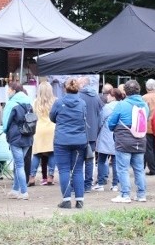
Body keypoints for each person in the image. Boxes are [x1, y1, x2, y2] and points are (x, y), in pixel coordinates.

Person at [108, 79, 149, 203]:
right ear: (139, 90)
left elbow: (111, 123)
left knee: (123, 168)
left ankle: (125, 195)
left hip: (124, 141)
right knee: (139, 169)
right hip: (140, 140)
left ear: (125, 91)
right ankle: (141, 195)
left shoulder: (121, 105)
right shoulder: (145, 105)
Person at [50, 78, 88, 208]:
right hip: (79, 140)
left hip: (62, 140)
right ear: (78, 89)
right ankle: (79, 200)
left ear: (65, 88)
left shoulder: (59, 103)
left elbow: (52, 117)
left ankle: (66, 200)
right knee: (78, 170)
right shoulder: (82, 103)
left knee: (64, 170)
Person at [4, 81, 35, 201]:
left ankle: (24, 191)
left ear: (13, 91)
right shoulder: (28, 102)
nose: (7, 91)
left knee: (19, 165)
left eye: (8, 89)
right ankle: (15, 190)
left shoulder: (11, 104)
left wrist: (6, 132)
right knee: (19, 163)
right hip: (28, 136)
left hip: (15, 137)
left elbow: (5, 123)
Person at [78, 76, 103, 192]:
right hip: (93, 133)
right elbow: (101, 115)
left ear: (82, 84)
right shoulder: (97, 97)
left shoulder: (78, 96)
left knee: (78, 159)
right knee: (89, 159)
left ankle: (77, 185)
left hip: (80, 132)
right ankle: (88, 185)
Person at [94, 87, 121, 192]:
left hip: (105, 135)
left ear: (113, 96)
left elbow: (100, 121)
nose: (107, 97)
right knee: (115, 161)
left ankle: (100, 183)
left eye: (109, 95)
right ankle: (115, 184)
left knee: (101, 160)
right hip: (118, 135)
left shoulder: (107, 107)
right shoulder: (122, 106)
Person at [31, 81, 57, 187]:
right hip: (52, 128)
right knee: (52, 153)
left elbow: (33, 116)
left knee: (37, 153)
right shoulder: (55, 101)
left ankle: (31, 177)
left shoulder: (35, 102)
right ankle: (50, 176)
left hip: (39, 129)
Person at [142, 79, 155, 175]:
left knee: (148, 149)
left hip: (147, 126)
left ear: (146, 87)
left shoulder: (144, 98)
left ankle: (153, 169)